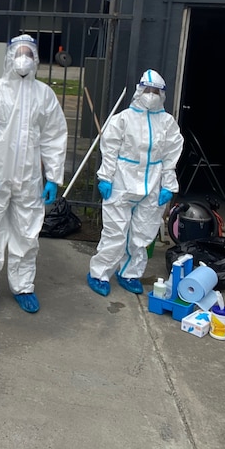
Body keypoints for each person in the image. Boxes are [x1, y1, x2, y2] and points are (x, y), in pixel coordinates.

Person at [0, 34, 68, 314]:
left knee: (27, 233)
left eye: (28, 53)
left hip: (29, 179)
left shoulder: (44, 94)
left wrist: (53, 177)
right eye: (19, 53)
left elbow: (54, 136)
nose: (23, 58)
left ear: (35, 59)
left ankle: (23, 286)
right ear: (10, 57)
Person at [87, 69, 184, 296]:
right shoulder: (122, 120)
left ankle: (129, 273)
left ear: (162, 95)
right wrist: (105, 177)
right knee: (115, 233)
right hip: (122, 180)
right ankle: (99, 273)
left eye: (156, 91)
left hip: (152, 184)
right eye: (147, 90)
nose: (151, 95)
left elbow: (171, 156)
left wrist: (168, 184)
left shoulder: (168, 123)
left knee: (142, 234)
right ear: (139, 91)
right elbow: (109, 151)